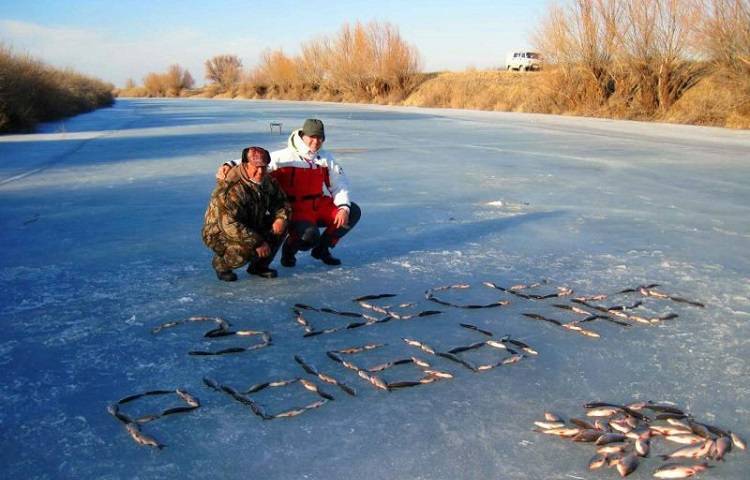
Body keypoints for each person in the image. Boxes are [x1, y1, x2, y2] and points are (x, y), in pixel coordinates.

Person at [217, 119, 361, 267]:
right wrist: (230, 164)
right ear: (302, 136)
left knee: (352, 211)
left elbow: (339, 184)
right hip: (295, 209)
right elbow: (255, 162)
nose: (316, 141)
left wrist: (343, 208)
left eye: (320, 138)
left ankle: (322, 249)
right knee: (309, 237)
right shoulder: (284, 157)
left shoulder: (325, 158)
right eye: (312, 137)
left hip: (318, 204)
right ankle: (289, 250)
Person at [202, 146, 291, 282]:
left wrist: (281, 218)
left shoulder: (268, 181)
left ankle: (259, 266)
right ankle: (222, 264)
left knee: (281, 226)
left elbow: (282, 203)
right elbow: (229, 225)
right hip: (219, 232)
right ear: (244, 164)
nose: (260, 171)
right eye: (256, 166)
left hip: (250, 222)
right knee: (245, 249)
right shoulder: (231, 188)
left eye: (264, 167)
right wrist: (258, 242)